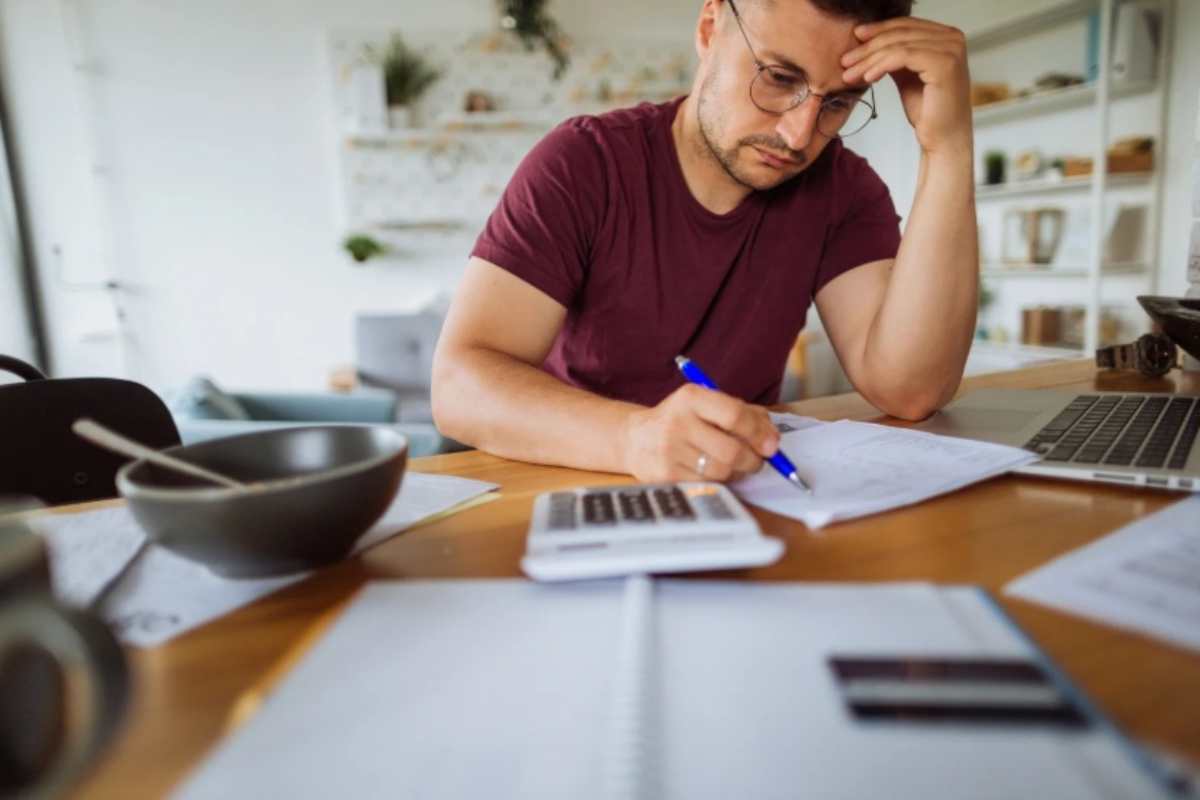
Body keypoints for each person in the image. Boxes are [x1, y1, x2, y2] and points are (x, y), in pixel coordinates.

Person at [432, 0, 977, 484]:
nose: (798, 135)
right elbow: (459, 385)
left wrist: (946, 147)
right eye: (779, 77)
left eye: (837, 103)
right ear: (710, 27)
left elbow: (911, 390)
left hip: (739, 491)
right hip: (574, 484)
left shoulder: (843, 189)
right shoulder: (582, 164)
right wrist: (635, 437)